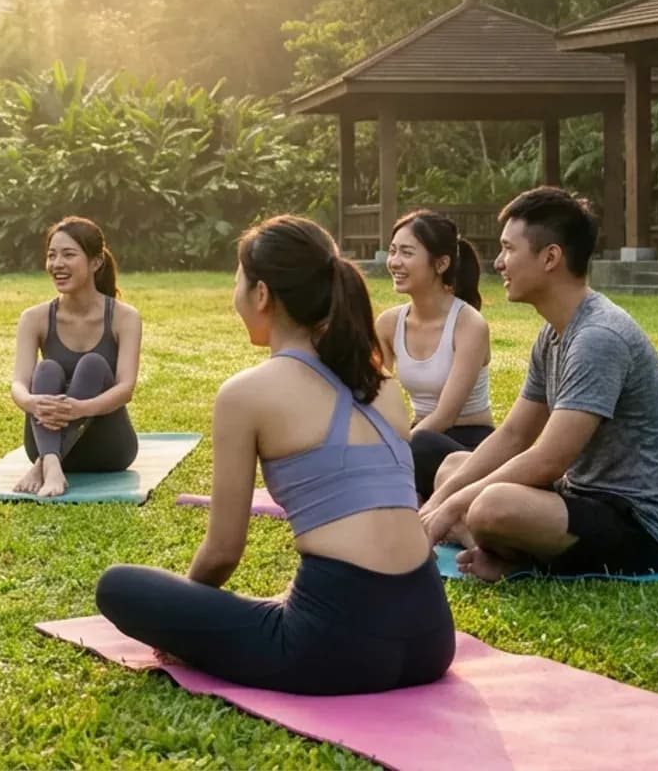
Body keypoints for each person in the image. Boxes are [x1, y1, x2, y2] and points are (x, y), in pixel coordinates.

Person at [94, 216, 454, 695]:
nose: (235, 295)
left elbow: (223, 552)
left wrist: (182, 617)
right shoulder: (382, 384)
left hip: (336, 649)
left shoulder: (247, 394)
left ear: (262, 294)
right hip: (431, 637)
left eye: (238, 282)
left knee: (118, 587)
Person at [420, 187, 658, 582]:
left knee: (490, 505)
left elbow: (548, 458)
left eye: (508, 250)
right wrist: (441, 501)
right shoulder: (553, 334)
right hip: (578, 498)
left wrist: (448, 510)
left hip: (640, 527)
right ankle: (505, 551)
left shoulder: (598, 336)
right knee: (451, 468)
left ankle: (501, 545)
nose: (498, 262)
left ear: (550, 258)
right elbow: (514, 434)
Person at [8, 216, 143, 498]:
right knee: (46, 369)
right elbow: (19, 383)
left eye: (68, 254)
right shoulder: (34, 318)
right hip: (45, 440)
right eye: (51, 255)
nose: (57, 264)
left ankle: (44, 464)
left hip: (107, 449)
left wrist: (81, 408)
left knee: (93, 364)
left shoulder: (124, 317)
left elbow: (125, 389)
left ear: (95, 263)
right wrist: (32, 402)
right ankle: (52, 462)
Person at [375, 209, 494, 499]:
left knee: (420, 447)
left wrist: (396, 451)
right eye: (392, 251)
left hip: (469, 446)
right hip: (419, 437)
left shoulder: (468, 324)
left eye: (406, 252)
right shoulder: (389, 324)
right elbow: (372, 396)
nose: (395, 262)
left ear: (441, 263)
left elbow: (445, 415)